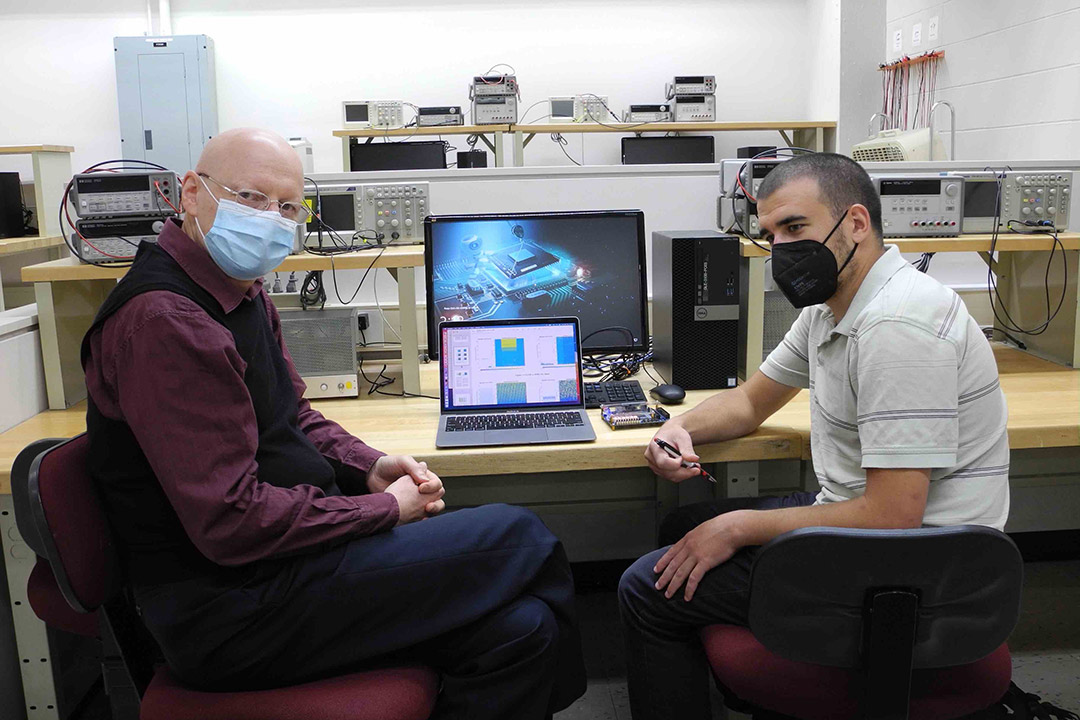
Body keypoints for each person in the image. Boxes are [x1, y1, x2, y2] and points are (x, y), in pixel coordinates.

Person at [81, 127, 585, 719]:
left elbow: (292, 416)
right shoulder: (167, 321)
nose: (272, 218)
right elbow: (231, 522)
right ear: (190, 194)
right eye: (251, 198)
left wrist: (368, 465)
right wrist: (385, 510)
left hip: (283, 571)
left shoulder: (238, 293)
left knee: (525, 632)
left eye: (288, 206)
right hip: (231, 612)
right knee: (519, 535)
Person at [619, 153, 1010, 720]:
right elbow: (752, 401)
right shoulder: (833, 306)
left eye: (795, 228)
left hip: (921, 567)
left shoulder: (896, 326)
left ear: (856, 223)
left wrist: (738, 527)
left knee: (645, 589)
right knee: (685, 525)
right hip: (880, 531)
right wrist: (678, 426)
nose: (781, 249)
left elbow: (894, 514)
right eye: (771, 234)